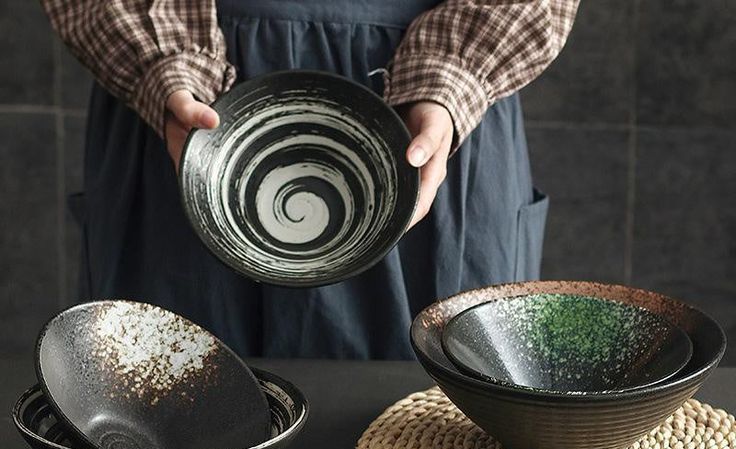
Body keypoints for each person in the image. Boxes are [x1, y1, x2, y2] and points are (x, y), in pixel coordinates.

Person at [43, 0, 579, 359]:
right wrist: (161, 63)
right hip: (189, 120)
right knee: (164, 434)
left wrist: (453, 77)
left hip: (425, 126)